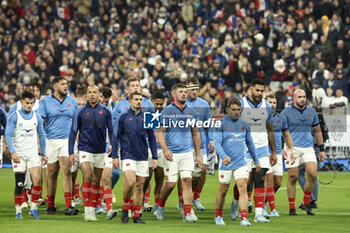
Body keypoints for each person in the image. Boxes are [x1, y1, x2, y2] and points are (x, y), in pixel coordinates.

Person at [155, 83, 201, 222]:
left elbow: (196, 134)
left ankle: (187, 213)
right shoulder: (167, 112)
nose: (184, 94)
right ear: (173, 95)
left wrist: (197, 154)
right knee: (170, 184)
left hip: (187, 152)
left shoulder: (191, 111)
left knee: (187, 180)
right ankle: (160, 206)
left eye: (185, 92)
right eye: (181, 92)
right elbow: (160, 133)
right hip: (172, 153)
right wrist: (165, 150)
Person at [69, 85, 113, 222]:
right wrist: (71, 151)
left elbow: (112, 131)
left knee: (96, 180)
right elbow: (72, 131)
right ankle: (87, 211)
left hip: (100, 150)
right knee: (87, 175)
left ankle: (93, 210)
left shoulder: (106, 111)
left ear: (99, 94)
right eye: (90, 92)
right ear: (86, 95)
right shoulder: (80, 111)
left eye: (95, 92)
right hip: (84, 148)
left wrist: (112, 145)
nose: (92, 95)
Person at [112, 92, 158, 224]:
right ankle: (126, 208)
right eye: (136, 99)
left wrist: (154, 157)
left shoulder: (148, 117)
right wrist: (115, 156)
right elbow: (115, 137)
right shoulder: (123, 116)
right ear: (130, 101)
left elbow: (152, 138)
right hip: (127, 155)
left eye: (140, 99)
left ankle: (136, 215)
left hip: (143, 156)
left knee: (139, 186)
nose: (139, 101)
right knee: (131, 182)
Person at [214, 98, 261, 226]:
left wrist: (256, 160)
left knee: (243, 187)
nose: (236, 112)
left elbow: (250, 143)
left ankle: (244, 218)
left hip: (241, 161)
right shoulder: (221, 123)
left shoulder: (244, 124)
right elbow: (217, 143)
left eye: (238, 110)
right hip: (226, 163)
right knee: (223, 190)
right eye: (233, 110)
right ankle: (218, 215)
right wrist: (223, 156)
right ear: (228, 109)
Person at [236, 78, 277, 223]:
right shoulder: (241, 104)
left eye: (262, 91)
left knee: (260, 179)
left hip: (262, 149)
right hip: (243, 149)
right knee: (244, 181)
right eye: (257, 90)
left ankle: (259, 213)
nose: (260, 93)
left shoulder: (266, 106)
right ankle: (236, 203)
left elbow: (270, 129)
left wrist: (273, 151)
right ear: (251, 89)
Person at [38, 76, 79, 215]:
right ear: (55, 87)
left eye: (66, 84)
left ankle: (69, 205)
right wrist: (39, 143)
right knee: (52, 173)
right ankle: (50, 205)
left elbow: (77, 124)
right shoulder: (45, 102)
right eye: (62, 84)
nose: (65, 86)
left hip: (67, 140)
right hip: (50, 141)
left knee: (66, 171)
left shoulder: (73, 102)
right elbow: (40, 123)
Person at [281, 89, 326, 216]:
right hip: (292, 148)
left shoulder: (312, 112)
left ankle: (305, 203)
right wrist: (282, 148)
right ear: (294, 98)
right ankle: (291, 207)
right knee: (293, 177)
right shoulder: (286, 113)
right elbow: (280, 130)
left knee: (312, 174)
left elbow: (317, 131)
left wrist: (321, 149)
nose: (302, 99)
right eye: (300, 97)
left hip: (308, 147)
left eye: (304, 97)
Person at [5, 91, 47, 219]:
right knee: (20, 183)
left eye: (31, 103)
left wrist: (44, 153)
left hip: (32, 153)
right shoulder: (15, 116)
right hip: (19, 154)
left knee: (38, 179)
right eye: (27, 103)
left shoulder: (36, 116)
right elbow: (8, 135)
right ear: (22, 102)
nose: (29, 105)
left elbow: (42, 135)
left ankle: (34, 208)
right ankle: (18, 211)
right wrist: (13, 152)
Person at [184, 77, 215, 212]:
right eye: (192, 89)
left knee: (202, 171)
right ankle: (184, 200)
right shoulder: (181, 103)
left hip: (201, 143)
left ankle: (196, 197)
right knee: (187, 174)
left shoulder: (204, 104)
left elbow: (210, 124)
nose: (195, 91)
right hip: (185, 143)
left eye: (196, 89)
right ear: (186, 89)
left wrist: (212, 139)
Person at [265, 94, 296, 217]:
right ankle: (271, 209)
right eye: (270, 102)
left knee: (277, 183)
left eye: (274, 102)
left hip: (278, 153)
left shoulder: (281, 118)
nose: (272, 105)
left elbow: (287, 135)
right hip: (265, 153)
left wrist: (291, 150)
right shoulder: (260, 118)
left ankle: (264, 203)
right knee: (269, 180)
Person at [150, 91, 166, 216]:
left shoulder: (166, 115)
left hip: (161, 150)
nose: (159, 106)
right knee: (145, 178)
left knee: (160, 177)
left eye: (161, 104)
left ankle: (157, 204)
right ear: (152, 101)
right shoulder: (148, 114)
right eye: (157, 104)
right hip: (148, 149)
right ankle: (142, 200)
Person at [70, 94, 87, 207]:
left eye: (82, 104)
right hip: (74, 148)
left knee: (87, 175)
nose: (80, 106)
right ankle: (72, 197)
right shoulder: (71, 118)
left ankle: (86, 198)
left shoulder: (87, 116)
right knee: (71, 174)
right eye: (78, 104)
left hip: (85, 148)